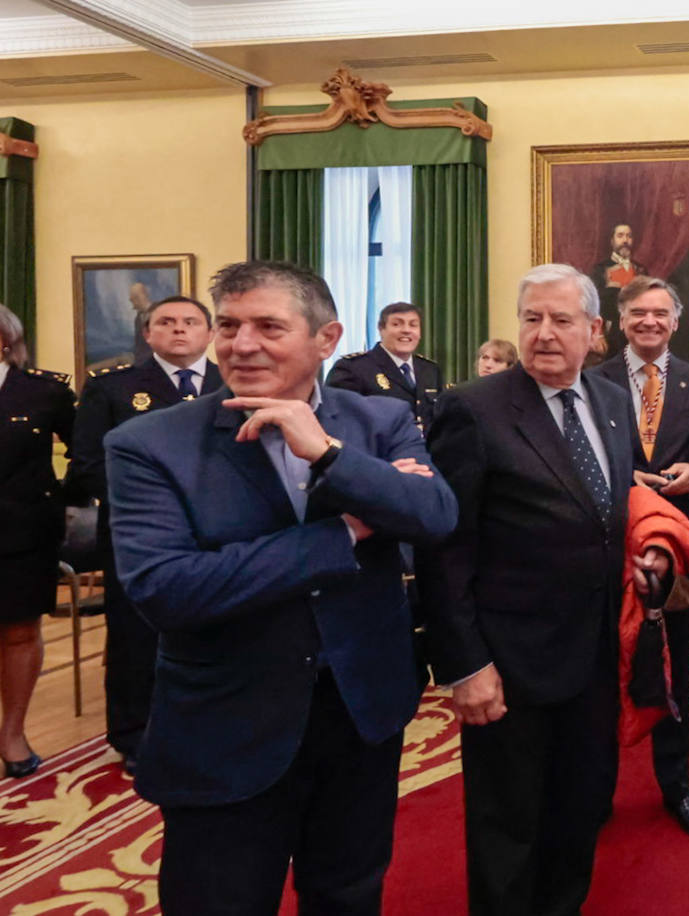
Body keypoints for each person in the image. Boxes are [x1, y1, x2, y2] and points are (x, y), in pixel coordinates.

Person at [104, 261, 458, 915]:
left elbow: (434, 516)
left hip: (359, 718)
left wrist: (329, 455)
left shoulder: (376, 422)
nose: (242, 345)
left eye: (269, 326)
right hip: (227, 726)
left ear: (326, 339)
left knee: (349, 895)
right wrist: (347, 530)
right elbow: (166, 589)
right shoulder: (149, 444)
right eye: (231, 327)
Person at [422, 263, 666, 916]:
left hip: (594, 655)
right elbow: (447, 548)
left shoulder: (612, 402)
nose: (545, 334)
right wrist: (465, 664)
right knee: (508, 827)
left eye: (561, 321)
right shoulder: (473, 409)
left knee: (580, 808)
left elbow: (607, 512)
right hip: (509, 662)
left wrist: (644, 564)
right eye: (532, 319)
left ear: (594, 331)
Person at [588, 275, 689, 838]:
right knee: (604, 668)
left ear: (676, 320)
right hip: (608, 547)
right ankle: (597, 787)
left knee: (673, 670)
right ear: (621, 321)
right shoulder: (592, 380)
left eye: (660, 313)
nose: (649, 322)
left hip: (675, 546)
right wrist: (628, 480)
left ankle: (677, 784)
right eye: (638, 313)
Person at [68, 295, 222, 772]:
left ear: (210, 333)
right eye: (166, 322)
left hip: (222, 532)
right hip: (141, 534)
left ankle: (213, 725)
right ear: (148, 334)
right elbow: (90, 466)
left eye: (191, 322)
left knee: (219, 632)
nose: (179, 330)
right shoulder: (113, 388)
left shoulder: (234, 380)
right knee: (137, 636)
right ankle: (136, 736)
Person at [0, 304, 74, 779]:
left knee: (19, 632)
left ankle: (12, 733)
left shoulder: (44, 391)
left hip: (21, 531)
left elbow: (86, 453)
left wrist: (59, 502)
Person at [325, 301, 444, 433]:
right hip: (377, 451)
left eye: (413, 325)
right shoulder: (353, 368)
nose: (406, 330)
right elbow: (340, 422)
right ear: (381, 329)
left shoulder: (430, 370)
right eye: (396, 324)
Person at [590, 222, 647, 359]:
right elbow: (593, 303)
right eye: (620, 236)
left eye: (629, 236)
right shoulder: (600, 269)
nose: (625, 240)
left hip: (637, 331)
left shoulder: (641, 270)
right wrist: (599, 334)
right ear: (612, 241)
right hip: (611, 333)